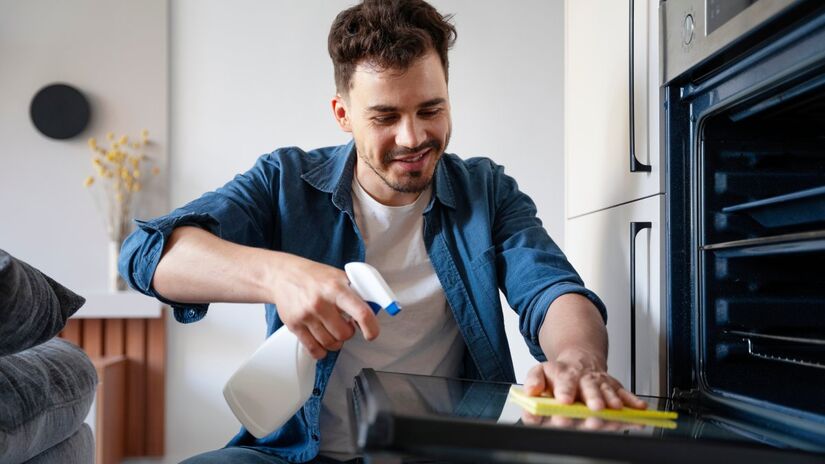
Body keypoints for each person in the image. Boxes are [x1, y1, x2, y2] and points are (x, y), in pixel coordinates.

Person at [120, 0, 646, 462]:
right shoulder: (283, 182)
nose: (413, 137)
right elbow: (146, 254)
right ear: (343, 114)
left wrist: (579, 359)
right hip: (296, 453)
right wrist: (276, 276)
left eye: (430, 109)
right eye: (385, 116)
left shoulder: (487, 191)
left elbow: (550, 289)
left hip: (446, 451)